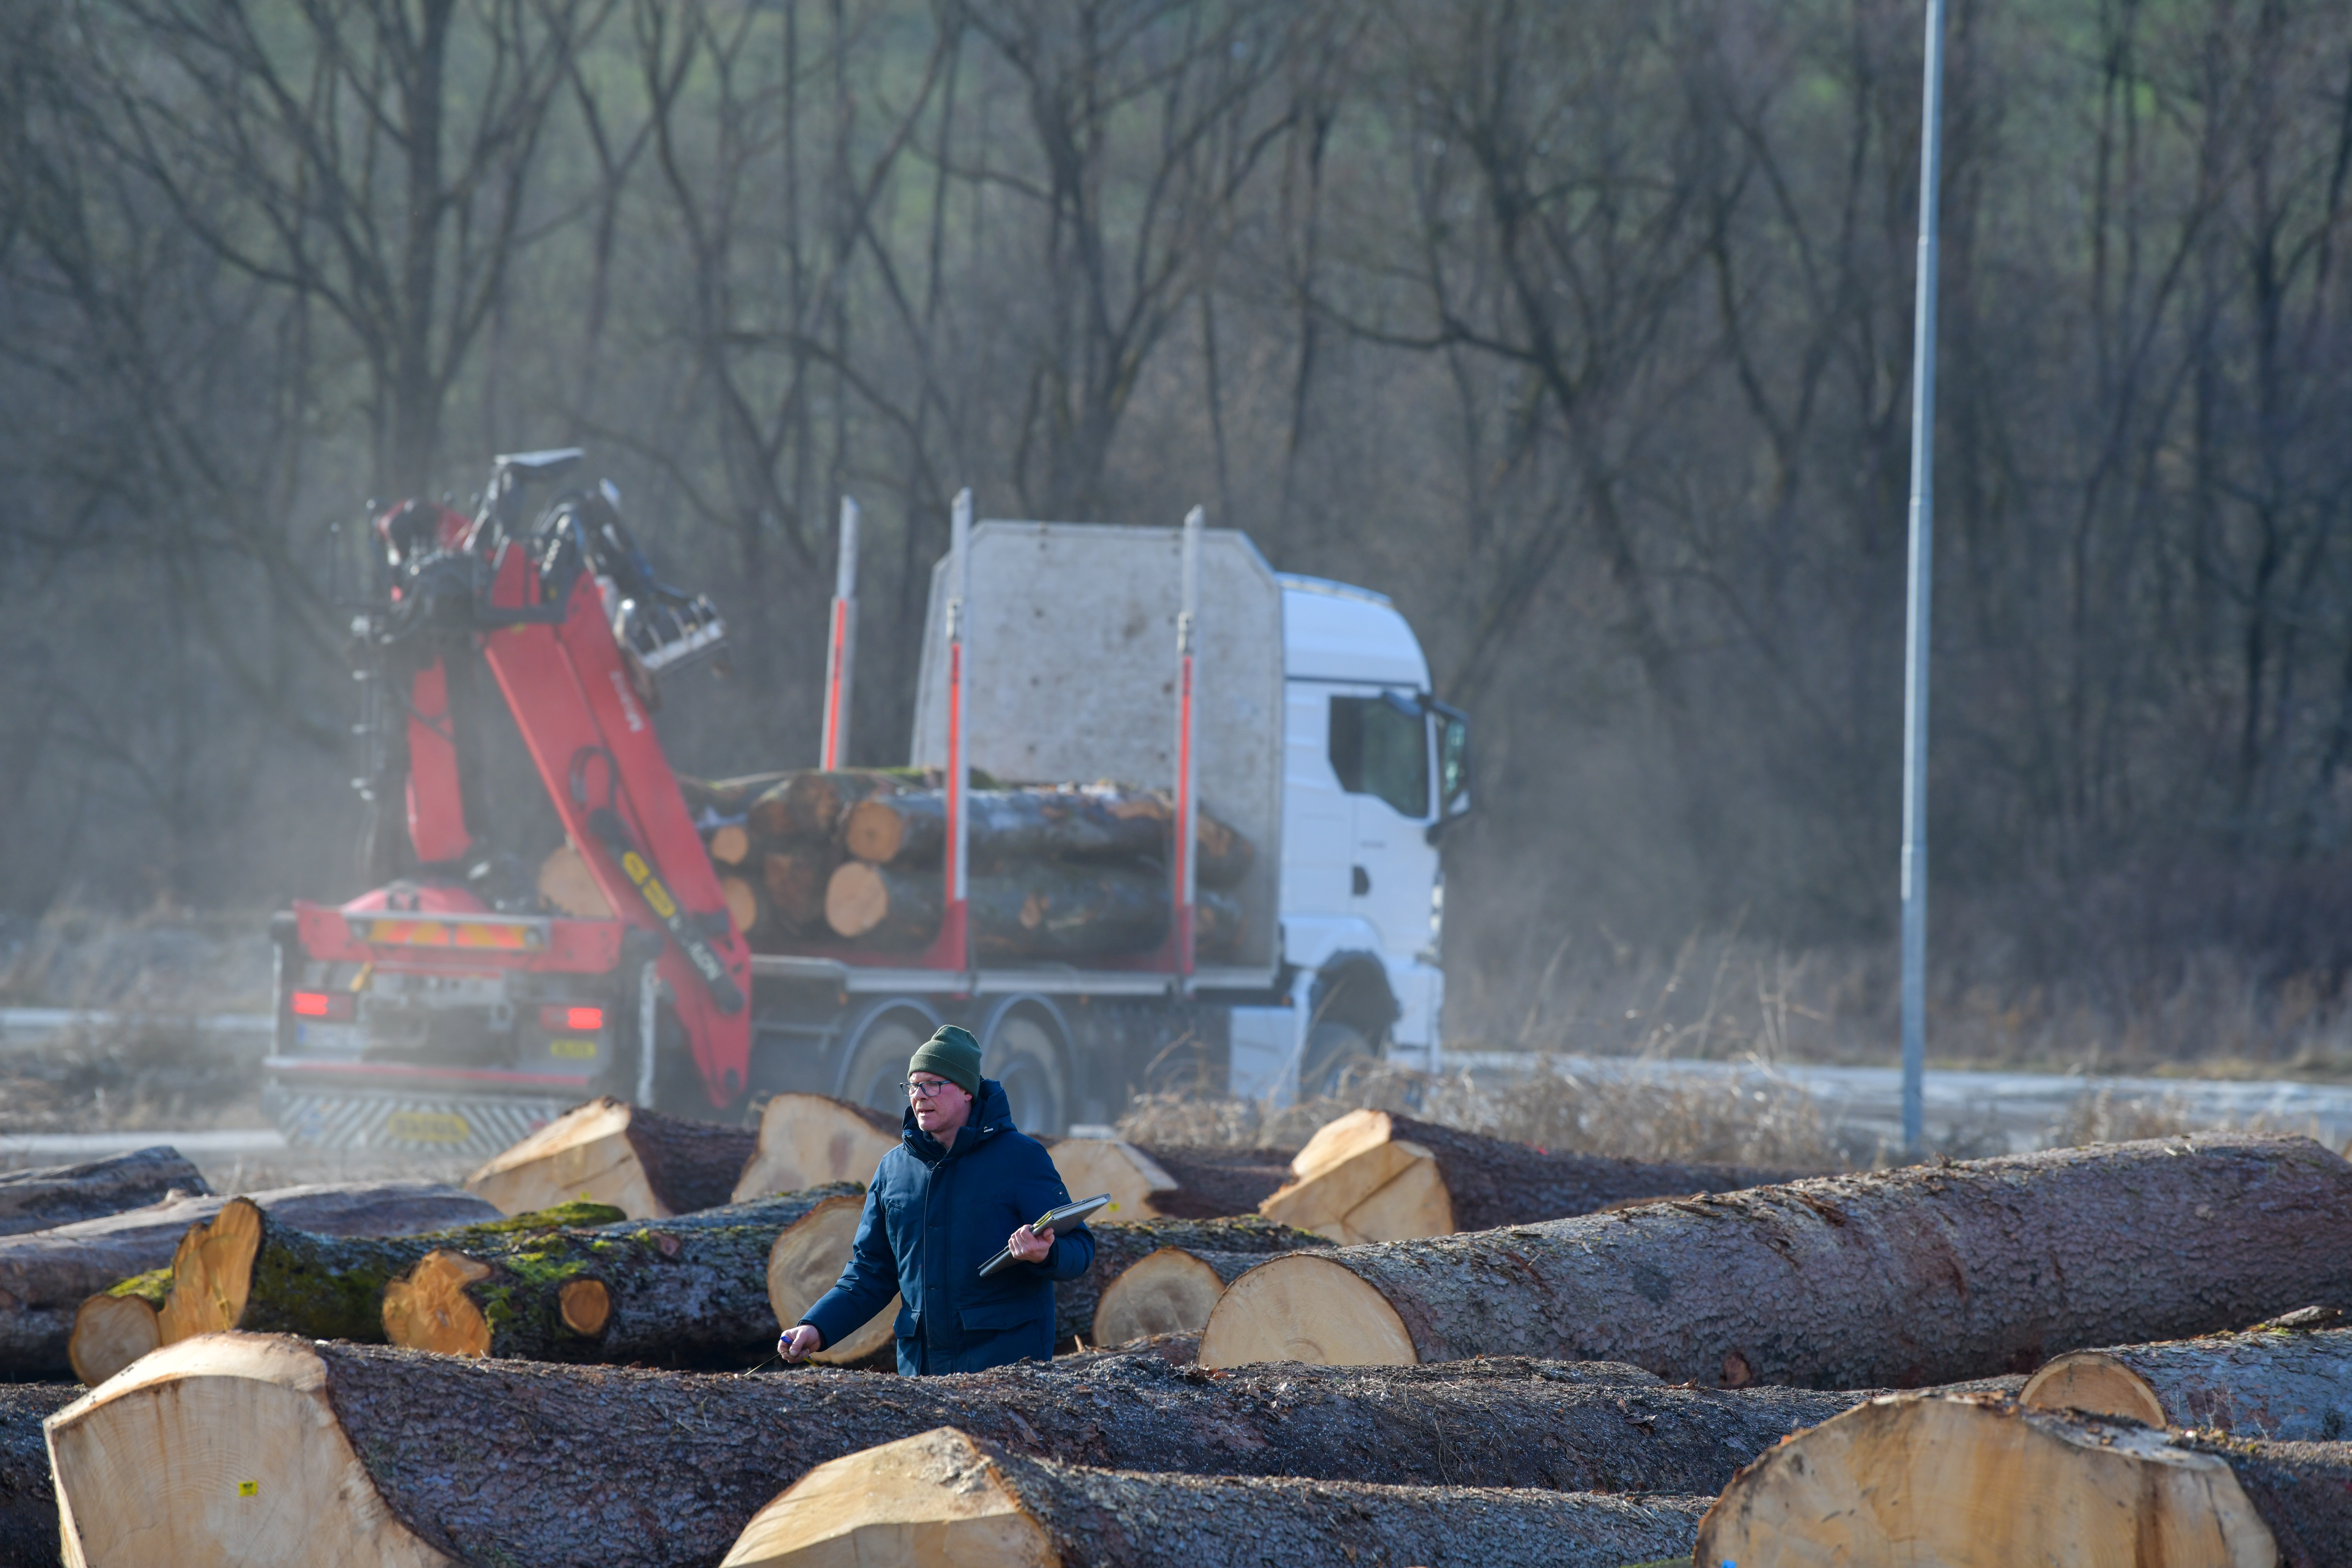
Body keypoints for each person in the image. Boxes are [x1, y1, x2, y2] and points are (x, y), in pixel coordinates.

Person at [776, 1024, 1094, 1375]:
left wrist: (1046, 1253)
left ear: (967, 1091)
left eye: (933, 1084)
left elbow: (1080, 1247)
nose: (920, 1095)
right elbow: (870, 1274)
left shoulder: (1021, 1158)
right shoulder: (892, 1170)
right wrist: (817, 1327)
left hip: (1007, 1374)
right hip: (922, 1376)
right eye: (913, 1085)